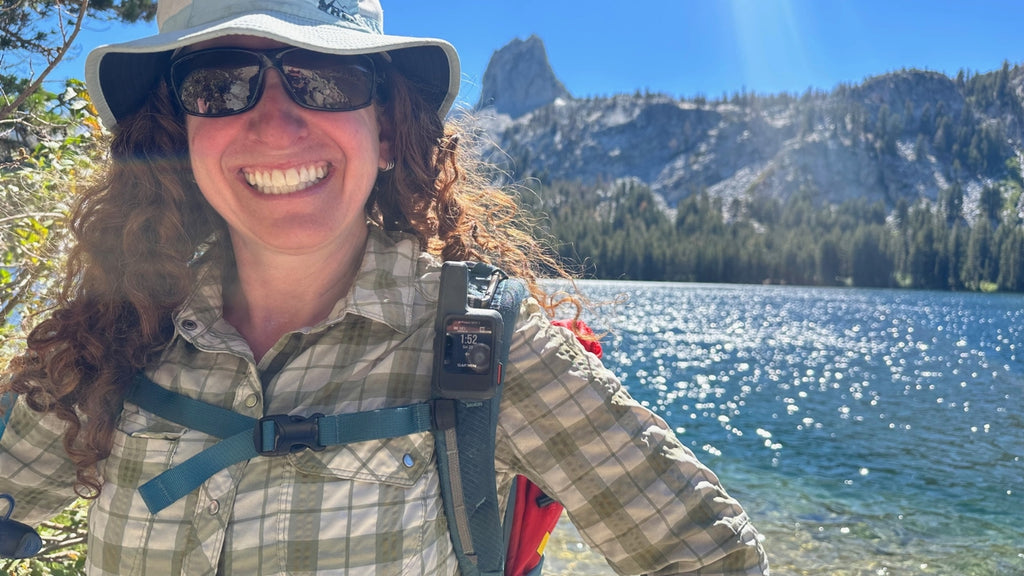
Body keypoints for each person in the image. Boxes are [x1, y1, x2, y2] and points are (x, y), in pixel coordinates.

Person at [0, 1, 770, 574]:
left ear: (391, 132)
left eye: (325, 80)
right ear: (179, 135)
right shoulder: (114, 335)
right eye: (219, 83)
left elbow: (708, 556)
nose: (275, 123)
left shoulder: (482, 344)